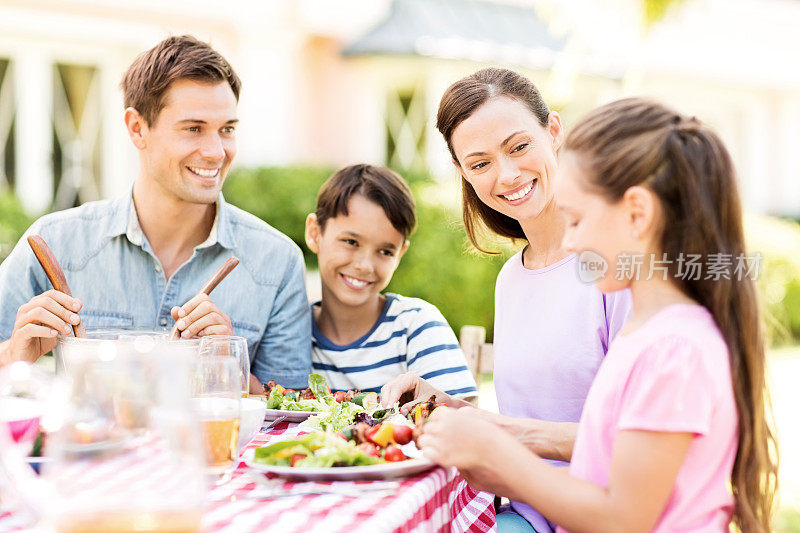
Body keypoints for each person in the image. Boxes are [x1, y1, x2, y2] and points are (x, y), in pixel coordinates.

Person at [418, 98, 778, 532]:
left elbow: (623, 519)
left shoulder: (674, 351)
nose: (567, 245)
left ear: (637, 213)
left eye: (576, 221)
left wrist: (500, 458)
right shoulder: (650, 337)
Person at [380, 68, 631, 532]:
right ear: (463, 174)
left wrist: (496, 433)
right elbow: (534, 421)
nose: (508, 174)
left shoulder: (617, 267)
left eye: (518, 147)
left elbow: (640, 442)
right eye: (480, 164)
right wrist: (449, 409)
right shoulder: (512, 277)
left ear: (554, 131)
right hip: (521, 511)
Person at [0, 35, 312, 390]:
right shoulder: (55, 242)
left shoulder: (277, 260)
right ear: (137, 128)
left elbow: (292, 409)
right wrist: (13, 356)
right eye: (193, 128)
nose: (216, 152)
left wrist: (228, 364)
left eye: (227, 130)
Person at [304, 164, 478, 398]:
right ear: (315, 233)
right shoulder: (289, 332)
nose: (365, 265)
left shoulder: (416, 326)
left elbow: (465, 421)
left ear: (400, 255)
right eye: (351, 242)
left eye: (385, 252)